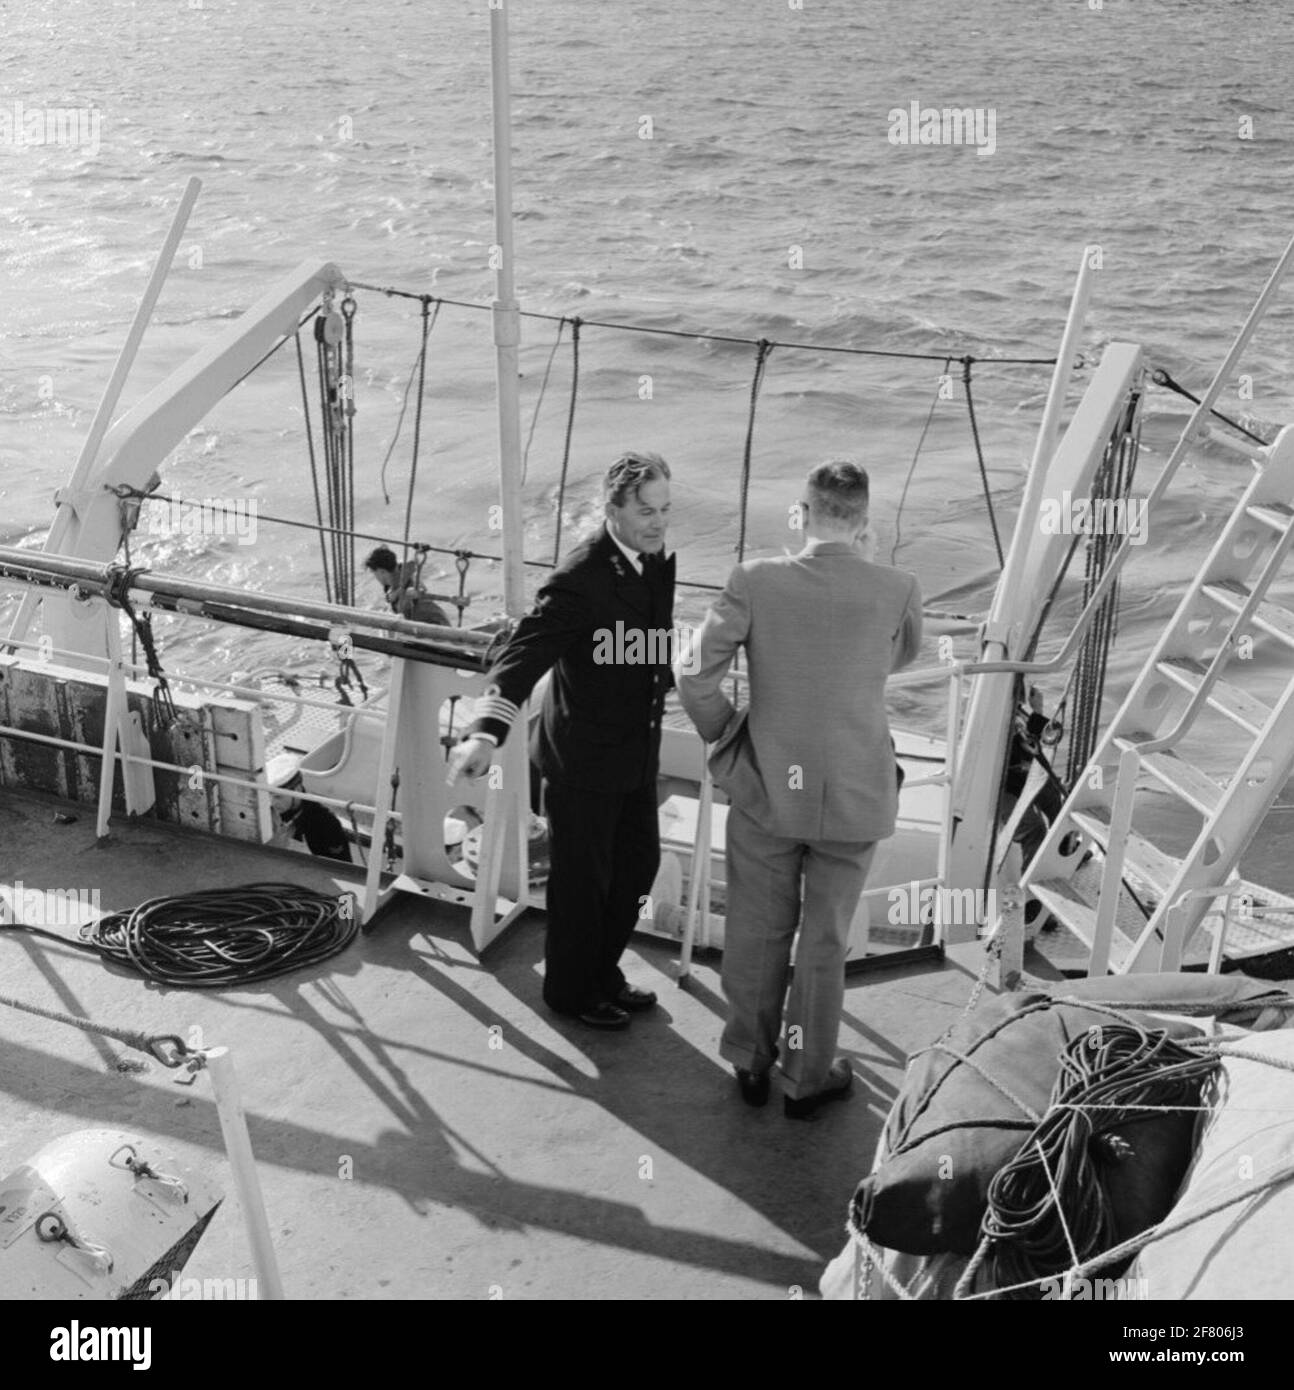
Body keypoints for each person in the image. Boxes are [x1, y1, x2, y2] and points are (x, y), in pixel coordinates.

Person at [674, 459, 922, 1117]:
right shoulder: (897, 588)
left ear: (802, 511)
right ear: (865, 520)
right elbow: (895, 659)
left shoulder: (756, 580)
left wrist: (728, 736)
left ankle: (749, 1061)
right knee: (825, 938)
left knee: (757, 927)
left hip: (766, 784)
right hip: (855, 789)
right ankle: (808, 1078)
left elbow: (694, 673)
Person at [447, 452, 676, 1030]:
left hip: (634, 753)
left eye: (665, 509)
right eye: (646, 510)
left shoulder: (647, 563)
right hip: (582, 760)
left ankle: (602, 973)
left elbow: (642, 647)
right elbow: (522, 654)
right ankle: (571, 993)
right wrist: (485, 731)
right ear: (613, 510)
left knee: (636, 870)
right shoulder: (581, 579)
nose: (658, 521)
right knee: (583, 885)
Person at [364, 546, 452, 627]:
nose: (375, 577)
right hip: (438, 619)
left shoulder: (406, 596)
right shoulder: (398, 573)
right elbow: (412, 564)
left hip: (437, 628)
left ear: (382, 571)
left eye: (374, 573)